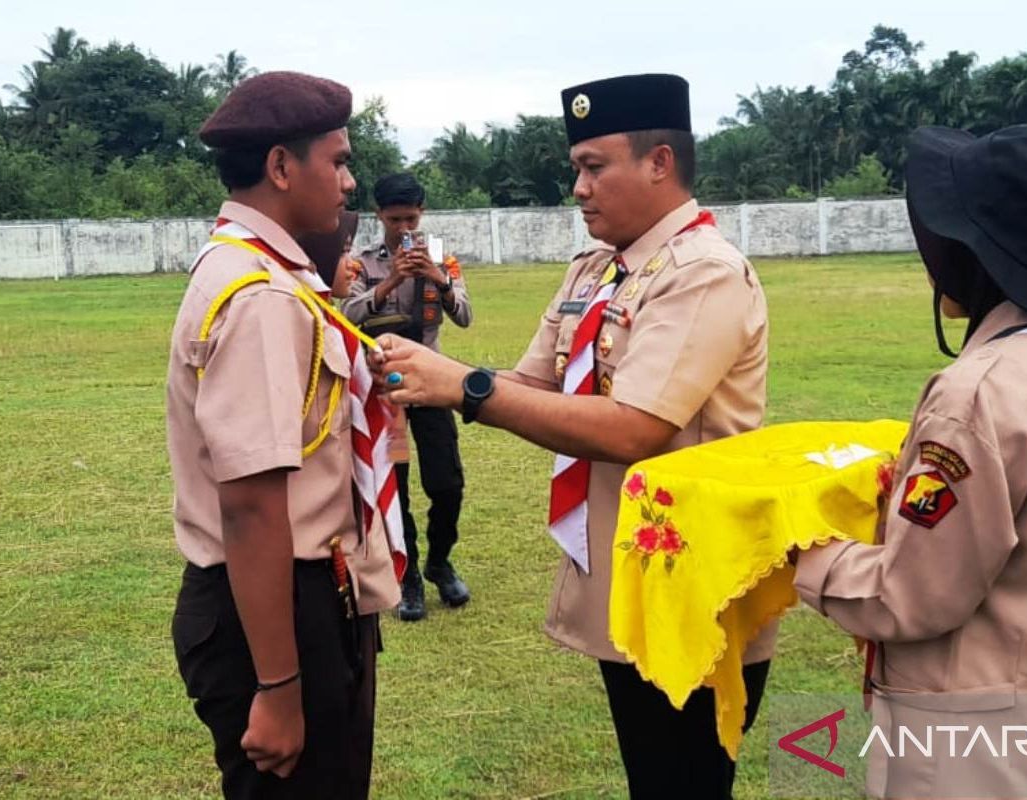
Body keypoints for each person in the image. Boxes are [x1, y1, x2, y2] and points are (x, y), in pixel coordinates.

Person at [375, 73, 778, 799]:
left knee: (685, 780)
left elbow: (635, 428)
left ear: (659, 162)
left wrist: (464, 389)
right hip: (627, 565)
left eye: (595, 167)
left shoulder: (703, 274)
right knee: (650, 773)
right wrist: (433, 371)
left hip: (692, 582)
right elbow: (534, 383)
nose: (580, 189)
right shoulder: (598, 270)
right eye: (576, 171)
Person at [792, 125, 1027, 798]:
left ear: (973, 253)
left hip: (974, 754)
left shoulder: (977, 395)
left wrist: (796, 553)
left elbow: (910, 595)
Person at [166, 71, 398, 800]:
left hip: (295, 592)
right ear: (279, 167)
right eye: (337, 160)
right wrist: (280, 685)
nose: (350, 180)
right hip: (274, 610)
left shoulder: (257, 268)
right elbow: (253, 504)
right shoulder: (262, 296)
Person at [343, 173, 472, 621]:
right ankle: (410, 576)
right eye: (394, 219)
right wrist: (389, 281)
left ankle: (440, 561)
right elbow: (346, 316)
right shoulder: (362, 264)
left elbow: (465, 317)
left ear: (423, 213)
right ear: (379, 215)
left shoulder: (442, 258)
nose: (403, 228)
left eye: (410, 218)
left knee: (447, 484)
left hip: (432, 383)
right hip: (387, 391)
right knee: (395, 486)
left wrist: (437, 277)